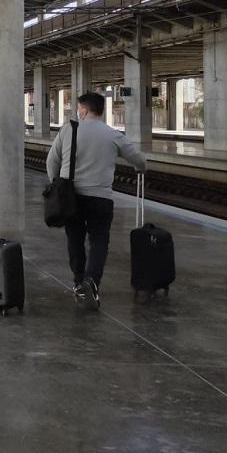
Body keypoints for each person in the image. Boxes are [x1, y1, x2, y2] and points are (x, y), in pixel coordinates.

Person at [46, 91, 148, 310]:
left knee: (75, 238)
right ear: (101, 110)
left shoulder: (69, 129)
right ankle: (92, 281)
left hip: (72, 197)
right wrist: (140, 168)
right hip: (101, 198)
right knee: (99, 241)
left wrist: (56, 185)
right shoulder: (112, 134)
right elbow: (139, 159)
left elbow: (52, 161)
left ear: (83, 109)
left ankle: (78, 281)